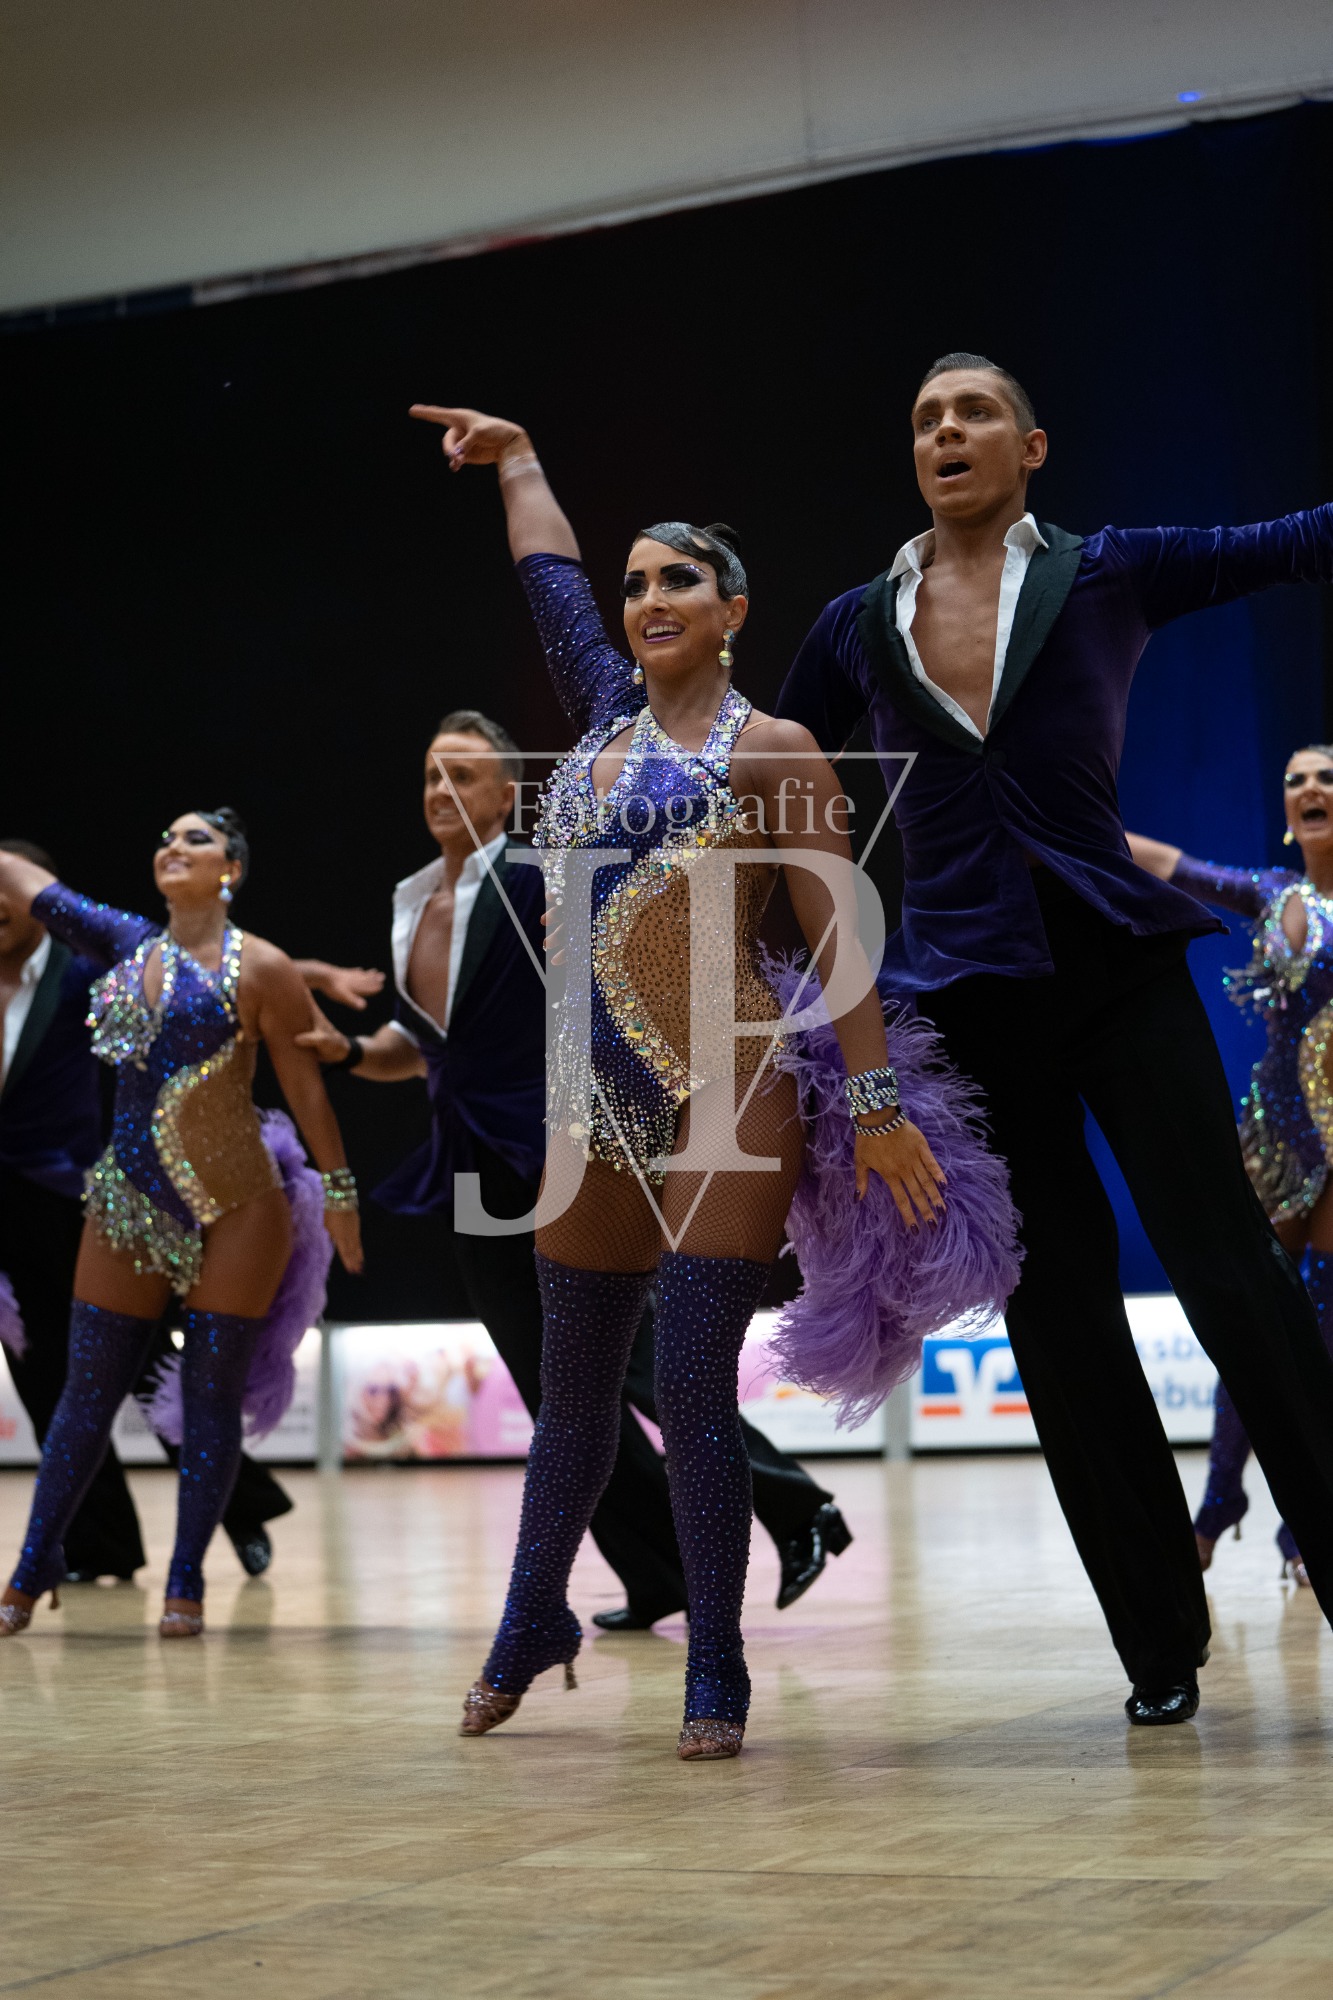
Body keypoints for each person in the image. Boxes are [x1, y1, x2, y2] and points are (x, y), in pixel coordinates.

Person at [407, 402, 1019, 1759]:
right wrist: (518, 461)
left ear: (732, 609)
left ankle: (718, 1660)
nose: (646, 600)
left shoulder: (774, 750)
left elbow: (840, 941)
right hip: (594, 1091)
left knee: (688, 1383)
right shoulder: (601, 722)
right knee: (572, 1395)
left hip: (728, 1080)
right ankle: (531, 1618)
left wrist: (874, 1109)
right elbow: (547, 576)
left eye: (676, 577)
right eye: (635, 583)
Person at [776, 349, 1333, 1726]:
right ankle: (1158, 1641)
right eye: (925, 418)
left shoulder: (1105, 571)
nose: (945, 430)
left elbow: (1291, 540)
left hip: (1118, 970)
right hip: (965, 1004)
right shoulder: (855, 625)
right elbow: (770, 769)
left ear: (1029, 448)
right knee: (1060, 1323)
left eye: (973, 412)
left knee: (1233, 1276)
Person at [297, 710, 855, 1629]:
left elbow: (612, 983)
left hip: (564, 1143)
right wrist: (352, 1054)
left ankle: (796, 1508)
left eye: (463, 776)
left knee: (629, 1366)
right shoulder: (411, 899)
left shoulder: (537, 876)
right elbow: (430, 1043)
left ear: (506, 793)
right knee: (548, 1385)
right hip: (469, 1159)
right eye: (432, 775)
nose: (442, 791)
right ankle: (657, 1571)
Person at [0, 810, 362, 1639]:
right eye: (166, 837)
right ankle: (33, 1563)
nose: (173, 846)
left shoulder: (261, 965)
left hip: (238, 1205)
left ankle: (187, 1577)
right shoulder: (124, 943)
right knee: (84, 1396)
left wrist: (340, 1194)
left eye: (196, 839)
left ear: (231, 869)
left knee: (208, 1397)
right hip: (129, 1200)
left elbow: (305, 1091)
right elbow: (21, 876)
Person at [1129, 745, 1333, 1585]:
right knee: (1255, 1318)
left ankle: (1306, 1517)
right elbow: (1165, 864)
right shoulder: (1272, 893)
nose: (1309, 788)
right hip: (1279, 1132)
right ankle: (1218, 1499)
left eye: (1324, 777)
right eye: (1294, 780)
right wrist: (1053, 820)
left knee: (1320, 1323)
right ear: (1286, 813)